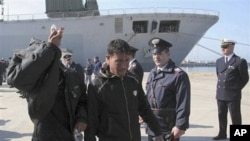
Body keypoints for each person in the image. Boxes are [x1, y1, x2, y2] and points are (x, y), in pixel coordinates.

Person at [6, 27, 88, 141]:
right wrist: (49, 48)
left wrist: (81, 118)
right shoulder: (38, 80)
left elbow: (82, 101)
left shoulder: (73, 76)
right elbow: (16, 79)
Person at [86, 39, 164, 141]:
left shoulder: (133, 80)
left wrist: (157, 132)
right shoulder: (97, 86)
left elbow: (145, 108)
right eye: (119, 61)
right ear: (108, 58)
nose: (123, 66)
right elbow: (91, 122)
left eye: (127, 61)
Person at [145, 37, 191, 141]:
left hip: (168, 127)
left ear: (168, 54)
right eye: (154, 54)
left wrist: (180, 125)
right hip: (152, 125)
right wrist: (143, 114)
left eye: (160, 53)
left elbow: (183, 103)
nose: (156, 57)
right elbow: (148, 97)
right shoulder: (152, 74)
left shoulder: (178, 75)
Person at [213, 39, 249, 140]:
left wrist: (236, 89)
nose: (223, 49)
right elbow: (218, 75)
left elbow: (245, 78)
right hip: (220, 94)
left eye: (225, 47)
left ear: (232, 47)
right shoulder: (219, 61)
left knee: (235, 116)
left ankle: (239, 136)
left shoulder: (240, 61)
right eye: (222, 47)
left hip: (233, 95)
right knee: (221, 115)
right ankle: (222, 134)